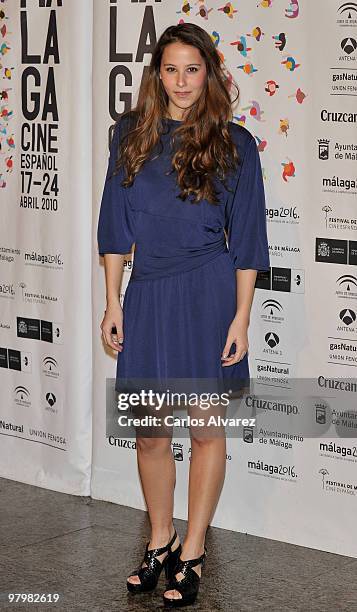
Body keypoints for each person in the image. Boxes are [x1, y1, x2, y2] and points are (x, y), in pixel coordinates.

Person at [97, 22, 270, 608]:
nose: (181, 81)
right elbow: (113, 225)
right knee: (149, 433)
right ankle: (160, 538)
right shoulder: (131, 136)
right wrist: (112, 301)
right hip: (145, 295)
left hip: (206, 292)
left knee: (204, 429)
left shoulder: (235, 142)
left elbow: (247, 239)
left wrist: (241, 317)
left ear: (210, 74)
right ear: (156, 75)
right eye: (170, 69)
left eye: (192, 69)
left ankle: (193, 548)